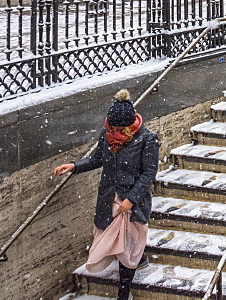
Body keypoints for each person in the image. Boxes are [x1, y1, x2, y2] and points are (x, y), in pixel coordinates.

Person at [53, 89, 159, 300]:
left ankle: (124, 293)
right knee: (122, 243)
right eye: (112, 126)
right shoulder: (108, 135)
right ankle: (136, 261)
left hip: (132, 202)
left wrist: (131, 199)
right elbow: (97, 159)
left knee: (128, 243)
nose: (115, 130)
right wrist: (74, 165)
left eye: (119, 127)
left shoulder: (148, 139)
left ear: (130, 126)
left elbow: (149, 173)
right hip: (110, 197)